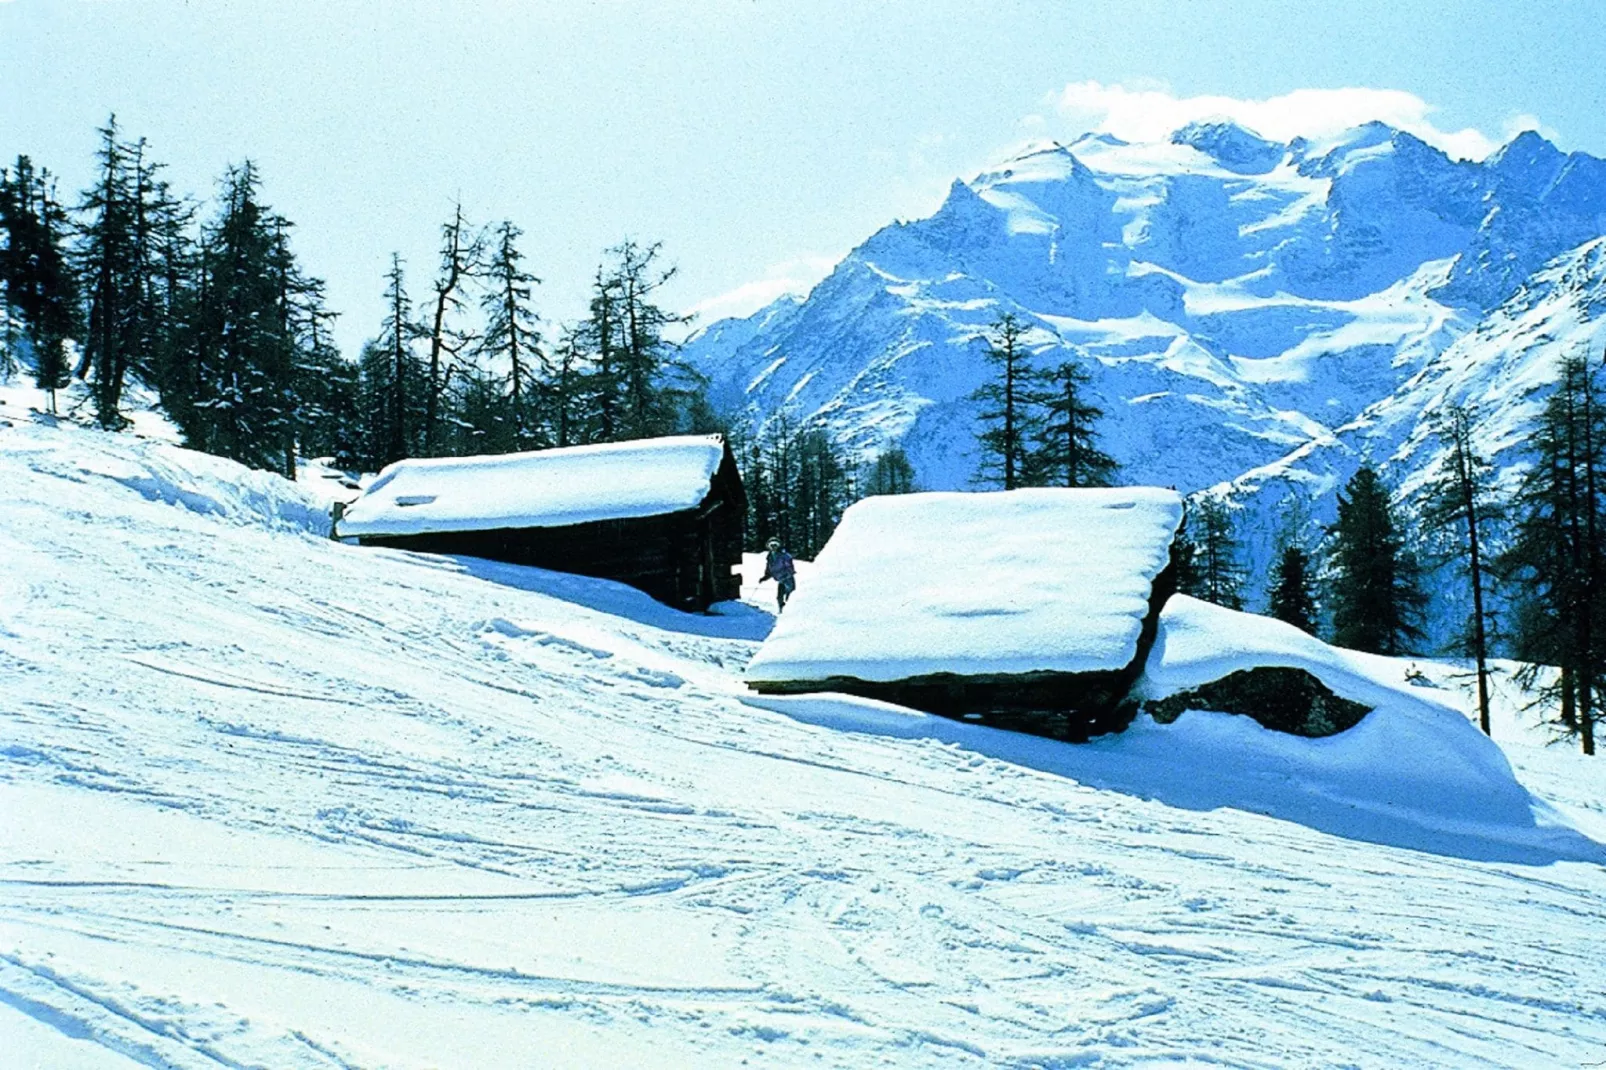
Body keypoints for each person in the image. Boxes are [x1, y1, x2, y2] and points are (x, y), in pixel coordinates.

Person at [759, 538, 796, 612]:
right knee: (779, 597)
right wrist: (764, 578)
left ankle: (791, 613)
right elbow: (769, 571)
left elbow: (790, 567)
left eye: (775, 545)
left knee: (790, 598)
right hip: (780, 580)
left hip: (788, 579)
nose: (773, 547)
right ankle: (782, 611)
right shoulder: (770, 557)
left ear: (778, 546)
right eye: (771, 545)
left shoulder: (784, 555)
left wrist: (787, 575)